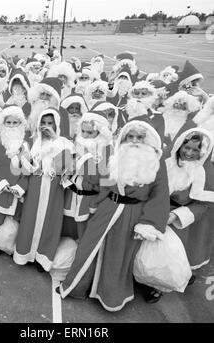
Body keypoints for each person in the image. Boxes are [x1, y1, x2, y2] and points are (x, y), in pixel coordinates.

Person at [58, 120, 170, 311]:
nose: (134, 141)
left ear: (148, 139)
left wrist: (148, 223)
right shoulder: (116, 156)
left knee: (117, 257)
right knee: (88, 247)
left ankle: (109, 296)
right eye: (130, 136)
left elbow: (160, 196)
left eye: (139, 137)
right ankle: (77, 287)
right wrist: (95, 204)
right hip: (108, 208)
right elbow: (105, 183)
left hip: (133, 215)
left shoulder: (156, 162)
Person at [13, 107, 74, 272]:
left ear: (57, 125)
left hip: (54, 191)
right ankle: (26, 254)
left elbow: (66, 168)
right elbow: (26, 170)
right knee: (30, 220)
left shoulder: (65, 144)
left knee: (49, 223)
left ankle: (42, 257)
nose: (46, 127)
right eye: (44, 123)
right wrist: (23, 160)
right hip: (35, 188)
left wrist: (55, 140)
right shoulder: (34, 143)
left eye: (50, 123)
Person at [0, 106, 30, 256]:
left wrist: (21, 186)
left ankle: (7, 244)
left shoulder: (26, 142)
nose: (11, 126)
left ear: (20, 123)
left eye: (14, 123)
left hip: (16, 187)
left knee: (14, 219)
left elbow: (28, 168)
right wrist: (1, 183)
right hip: (1, 188)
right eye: (8, 122)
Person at [166, 129, 214, 273]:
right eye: (186, 147)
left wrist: (176, 216)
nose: (189, 153)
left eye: (195, 150)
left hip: (183, 223)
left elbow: (205, 205)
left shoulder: (205, 173)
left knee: (175, 259)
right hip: (159, 213)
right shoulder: (167, 163)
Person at [63, 112, 113, 240]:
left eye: (90, 133)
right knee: (69, 228)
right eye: (83, 131)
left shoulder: (107, 150)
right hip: (73, 195)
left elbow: (100, 180)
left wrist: (84, 158)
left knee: (85, 234)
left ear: (100, 133)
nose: (85, 136)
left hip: (90, 200)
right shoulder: (77, 143)